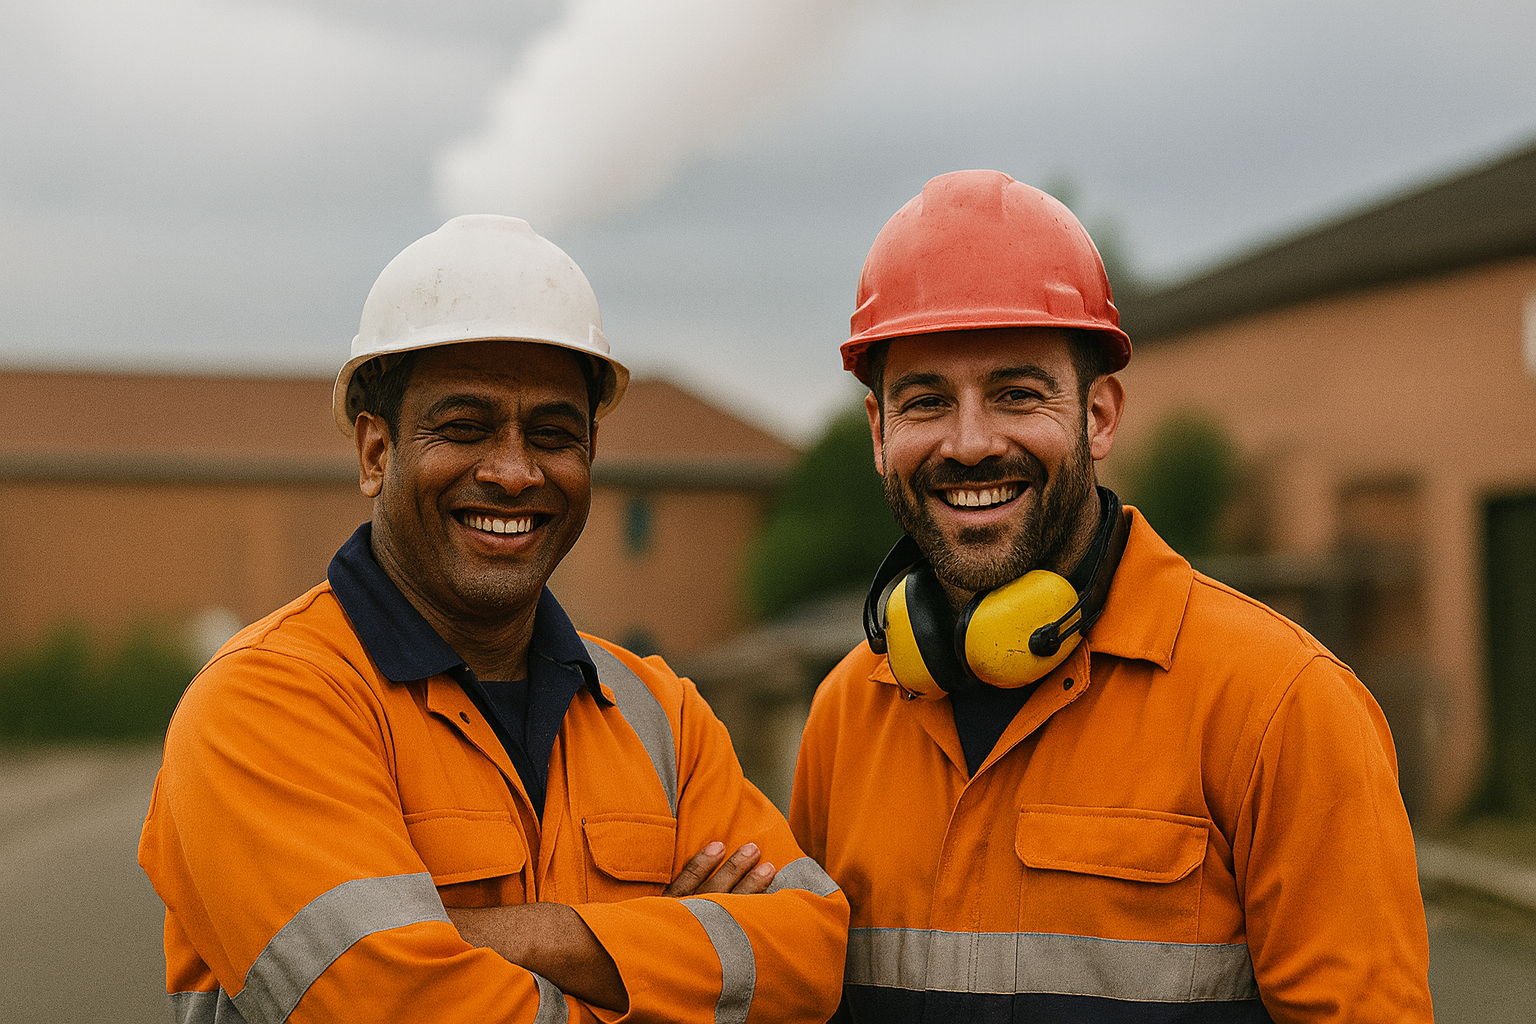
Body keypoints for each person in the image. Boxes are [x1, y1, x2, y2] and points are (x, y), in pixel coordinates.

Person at [139, 214, 848, 1024]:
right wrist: (675, 950)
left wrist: (502, 936)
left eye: (552, 435)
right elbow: (392, 1007)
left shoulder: (660, 715)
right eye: (464, 428)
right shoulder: (265, 705)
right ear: (375, 453)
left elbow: (811, 958)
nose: (513, 472)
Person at [788, 171, 1432, 1022]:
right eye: (926, 402)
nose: (969, 443)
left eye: (1017, 394)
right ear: (880, 433)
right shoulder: (845, 717)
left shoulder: (1282, 706)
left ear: (1099, 416)